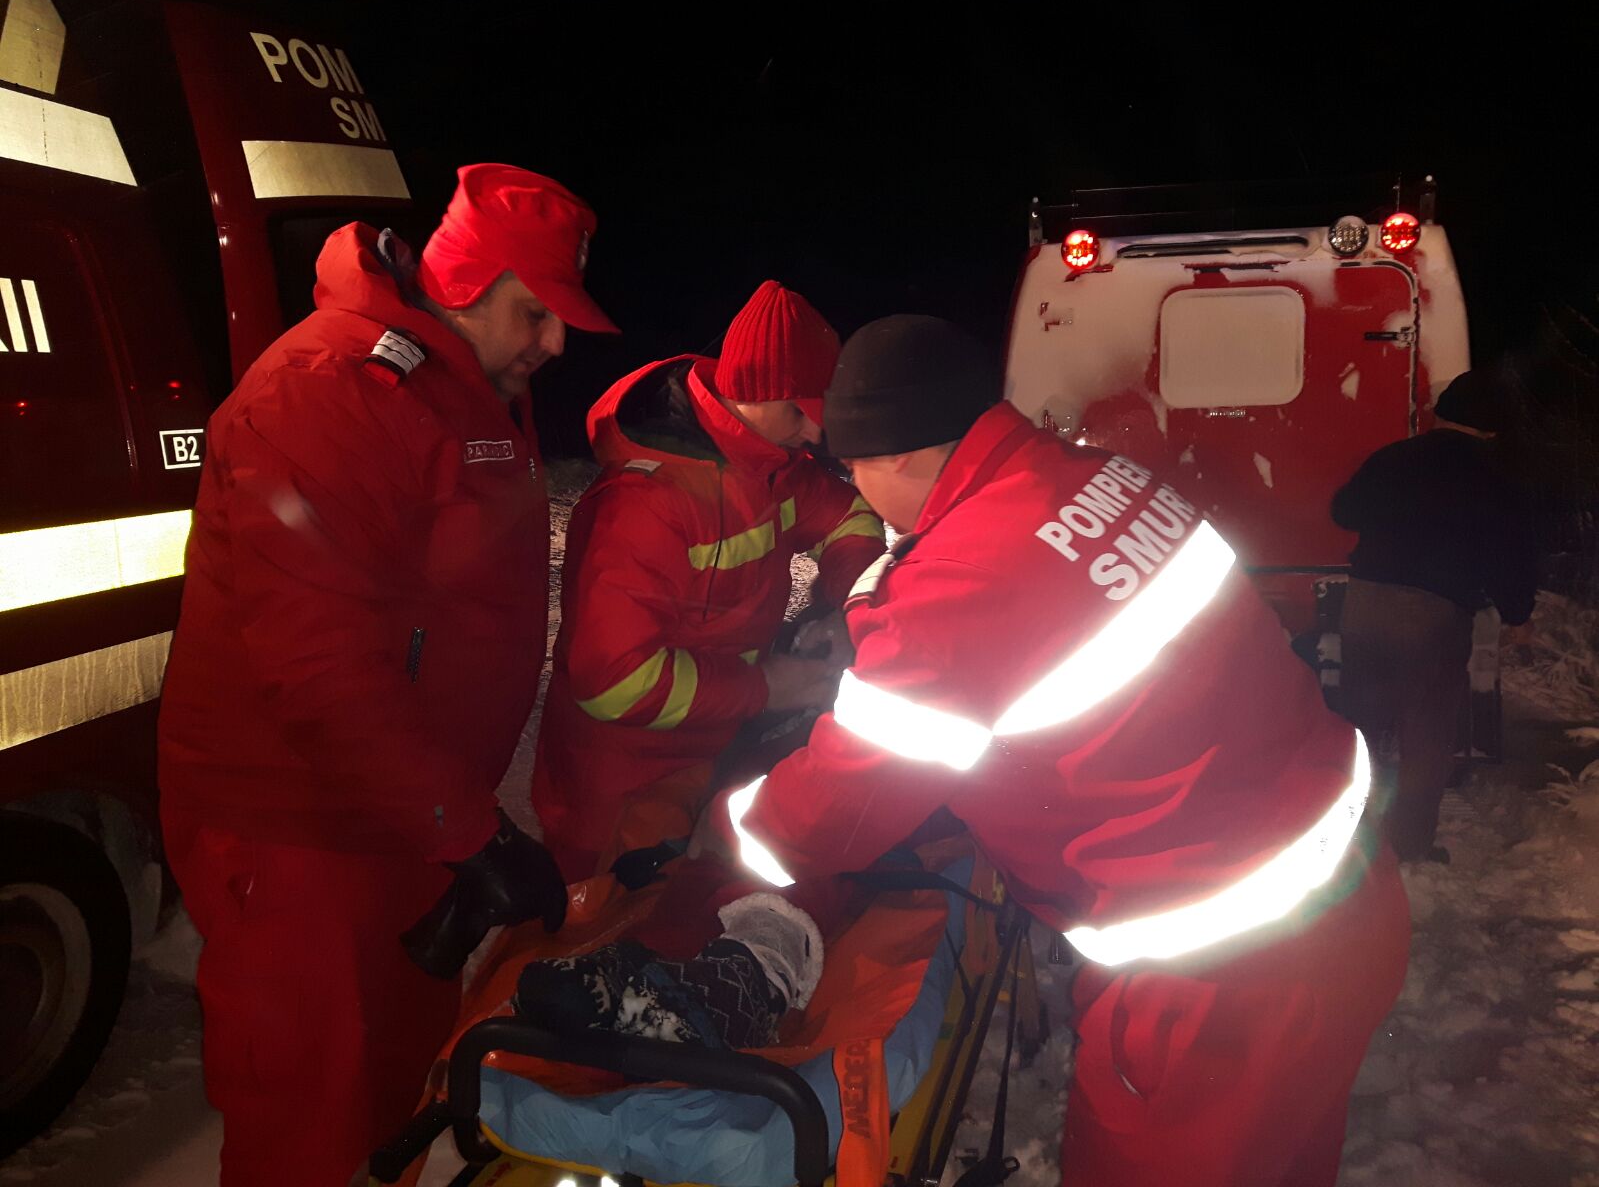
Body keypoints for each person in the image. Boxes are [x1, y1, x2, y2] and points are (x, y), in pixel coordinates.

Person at [695, 316, 1410, 1187]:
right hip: (1347, 906)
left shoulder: (951, 589)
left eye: (850, 469)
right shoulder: (1101, 478)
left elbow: (826, 817)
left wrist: (724, 828)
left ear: (896, 456)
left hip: (1220, 989)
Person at [157, 164, 614, 1187]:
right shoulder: (325, 391)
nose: (554, 345)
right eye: (536, 313)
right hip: (302, 833)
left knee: (396, 1094)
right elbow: (316, 662)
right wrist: (469, 830)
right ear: (467, 281)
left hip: (408, 819)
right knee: (310, 1122)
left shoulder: (467, 386)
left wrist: (457, 826)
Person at [531, 280, 886, 881]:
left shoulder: (773, 465)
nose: (813, 434)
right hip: (620, 790)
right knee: (598, 925)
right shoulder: (643, 502)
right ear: (752, 390)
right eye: (799, 412)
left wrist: (844, 610)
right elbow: (613, 682)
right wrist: (765, 687)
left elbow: (848, 517)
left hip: (715, 751)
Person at [1331, 367, 1538, 861]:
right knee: (1426, 732)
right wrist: (1517, 615)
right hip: (1433, 614)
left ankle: (1343, 840)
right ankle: (1407, 846)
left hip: (1365, 602)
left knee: (1360, 726)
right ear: (1493, 429)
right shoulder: (1495, 477)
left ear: (1440, 414)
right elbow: (1510, 554)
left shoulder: (1393, 457)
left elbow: (1344, 512)